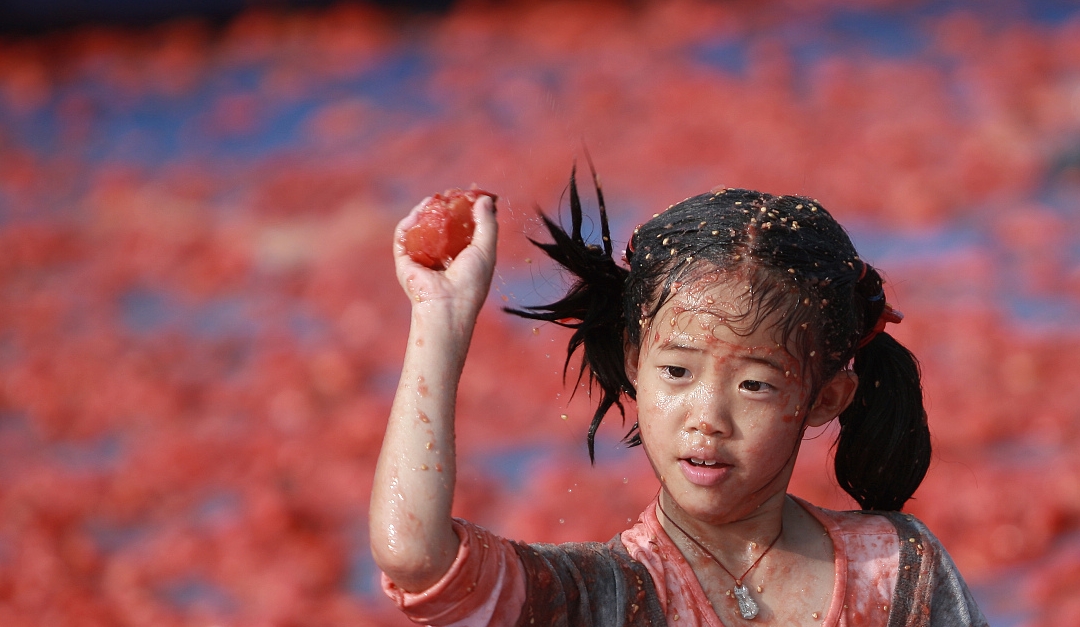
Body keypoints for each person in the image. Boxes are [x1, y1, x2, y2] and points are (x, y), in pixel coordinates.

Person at [369, 168, 989, 626]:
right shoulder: (606, 597)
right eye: (677, 373)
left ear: (826, 397)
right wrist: (440, 319)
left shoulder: (899, 570)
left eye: (754, 384)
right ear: (636, 364)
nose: (707, 419)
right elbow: (416, 558)